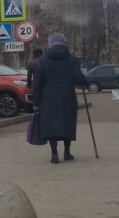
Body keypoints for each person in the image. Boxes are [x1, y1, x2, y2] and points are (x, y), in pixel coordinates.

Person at [32, 33, 87, 164]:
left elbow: (38, 83)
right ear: (64, 43)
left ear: (50, 44)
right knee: (68, 122)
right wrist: (84, 82)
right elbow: (79, 78)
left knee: (51, 125)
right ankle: (67, 152)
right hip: (67, 96)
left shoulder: (43, 60)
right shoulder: (72, 59)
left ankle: (54, 153)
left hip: (48, 97)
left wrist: (36, 102)